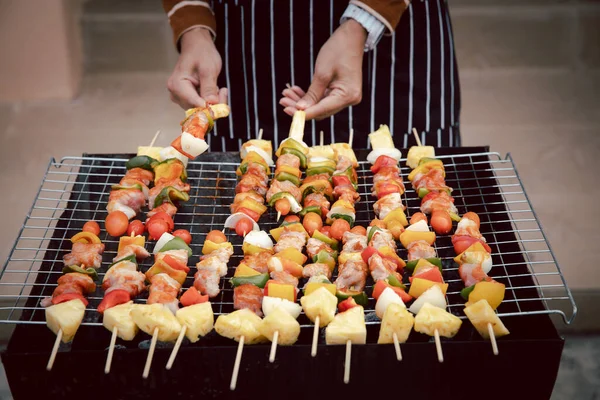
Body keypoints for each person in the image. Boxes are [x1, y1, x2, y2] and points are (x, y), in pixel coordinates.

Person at [162, 0, 461, 151]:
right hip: (244, 38)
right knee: (239, 180)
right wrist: (192, 25)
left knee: (412, 178)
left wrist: (366, 19)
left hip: (393, 46)